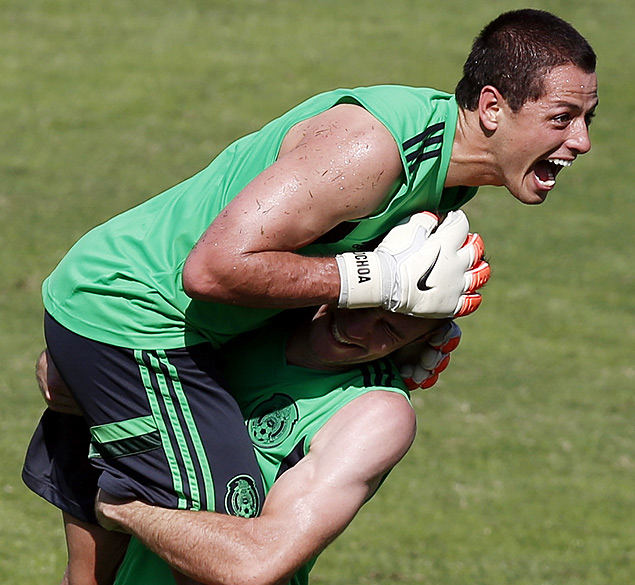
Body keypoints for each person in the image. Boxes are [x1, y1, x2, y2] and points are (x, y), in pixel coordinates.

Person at [24, 5, 596, 583]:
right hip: (137, 314)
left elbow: (307, 271)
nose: (582, 141)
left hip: (152, 322)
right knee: (221, 529)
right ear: (494, 107)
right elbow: (213, 270)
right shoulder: (373, 150)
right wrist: (382, 282)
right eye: (562, 117)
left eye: (588, 118)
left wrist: (400, 335)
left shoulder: (440, 181)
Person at [30, 305, 462, 585]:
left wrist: (128, 508)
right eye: (361, 303)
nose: (353, 328)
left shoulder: (375, 414)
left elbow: (255, 565)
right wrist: (71, 361)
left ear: (421, 342)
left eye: (388, 328)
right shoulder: (242, 321)